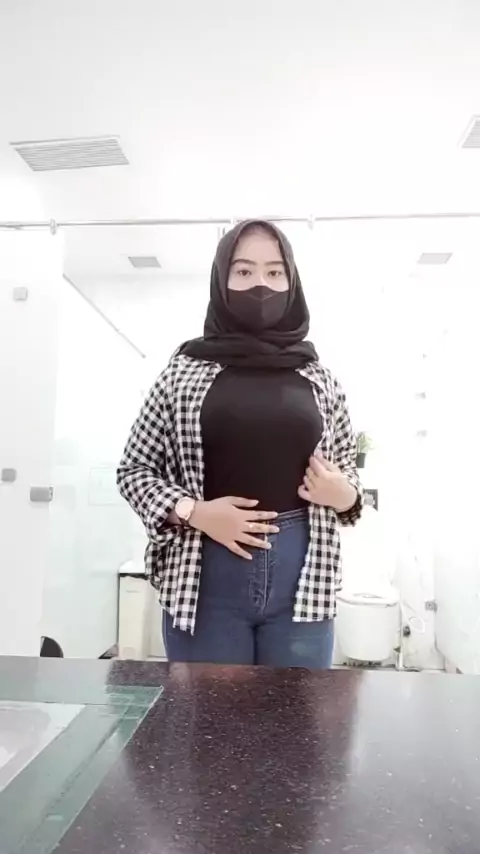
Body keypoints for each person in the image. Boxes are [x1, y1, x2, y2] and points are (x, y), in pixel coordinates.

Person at [117, 220, 363, 668]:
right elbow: (133, 470)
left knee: (297, 710)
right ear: (222, 281)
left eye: (274, 272)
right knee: (207, 711)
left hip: (304, 581)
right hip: (204, 577)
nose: (260, 286)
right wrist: (195, 512)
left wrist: (343, 493)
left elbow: (349, 475)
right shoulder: (182, 373)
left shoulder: (320, 378)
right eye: (244, 271)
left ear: (292, 282)